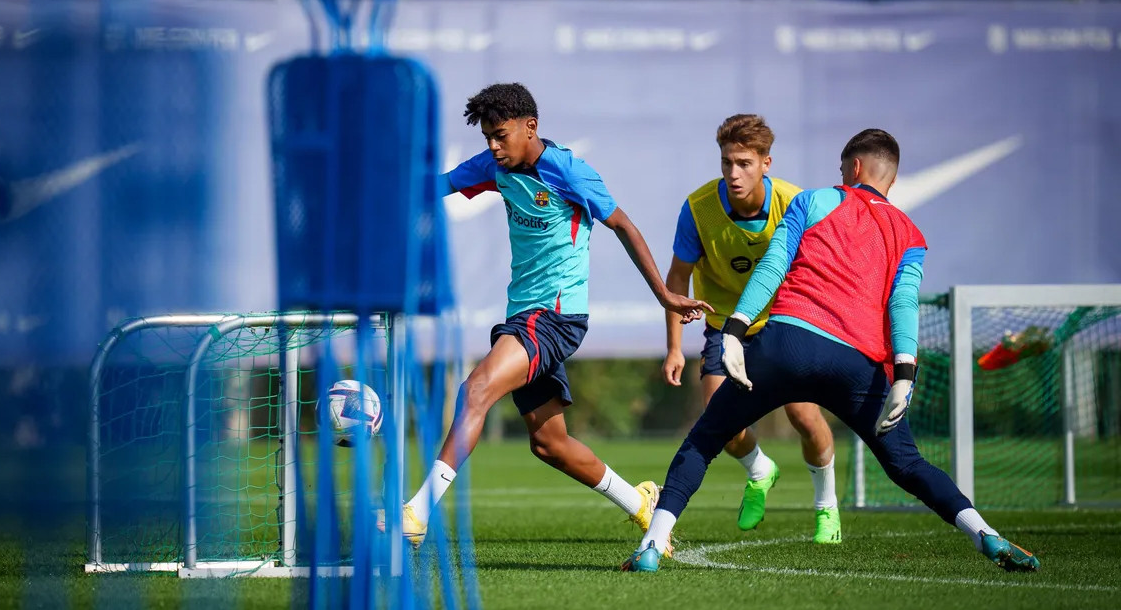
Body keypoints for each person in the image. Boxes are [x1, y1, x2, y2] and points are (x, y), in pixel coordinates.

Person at [623, 129, 1040, 573]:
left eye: (842, 170)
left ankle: (652, 546)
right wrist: (904, 374)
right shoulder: (912, 235)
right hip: (858, 365)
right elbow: (903, 305)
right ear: (892, 180)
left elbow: (774, 264)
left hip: (787, 345)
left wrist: (734, 330)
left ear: (854, 168)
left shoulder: (813, 200)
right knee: (907, 464)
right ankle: (986, 535)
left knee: (704, 440)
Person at [389, 83, 709, 548]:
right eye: (487, 139)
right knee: (549, 444)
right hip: (524, 317)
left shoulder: (568, 172)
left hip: (556, 318)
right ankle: (641, 503)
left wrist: (664, 294)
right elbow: (435, 188)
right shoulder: (494, 167)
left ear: (530, 127)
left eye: (500, 135)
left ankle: (417, 514)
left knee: (475, 389)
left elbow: (623, 225)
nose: (494, 147)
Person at [662, 114, 840, 544]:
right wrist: (673, 348)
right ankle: (761, 470)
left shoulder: (796, 203)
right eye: (726, 163)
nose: (733, 173)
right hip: (725, 328)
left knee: (803, 414)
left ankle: (827, 507)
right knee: (720, 422)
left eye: (744, 163)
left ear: (766, 163)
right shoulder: (699, 208)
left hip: (785, 322)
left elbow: (826, 270)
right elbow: (676, 281)